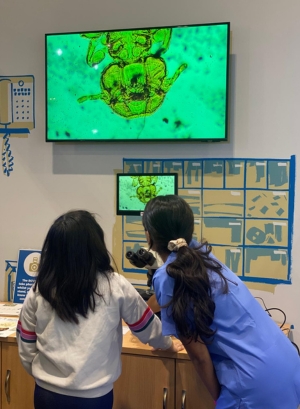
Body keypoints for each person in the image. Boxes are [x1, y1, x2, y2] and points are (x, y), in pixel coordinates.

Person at [142, 194, 300, 409]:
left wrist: (223, 400)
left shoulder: (168, 275)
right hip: (286, 363)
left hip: (253, 383)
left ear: (148, 236)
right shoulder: (201, 254)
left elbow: (199, 357)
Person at [17, 210, 183, 409]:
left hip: (46, 394)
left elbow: (25, 342)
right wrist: (167, 344)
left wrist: (44, 376)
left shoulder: (40, 288)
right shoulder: (115, 285)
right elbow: (147, 326)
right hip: (95, 397)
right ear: (95, 245)